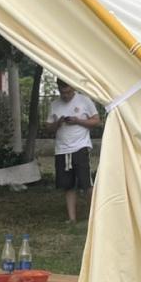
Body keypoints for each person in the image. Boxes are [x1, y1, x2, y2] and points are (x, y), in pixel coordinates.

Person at [47, 78, 101, 223]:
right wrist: (58, 123)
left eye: (69, 92)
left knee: (86, 184)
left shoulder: (85, 100)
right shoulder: (54, 105)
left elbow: (96, 121)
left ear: (73, 87)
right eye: (63, 93)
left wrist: (78, 121)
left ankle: (94, 217)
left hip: (80, 147)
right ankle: (72, 219)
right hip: (62, 150)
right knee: (68, 185)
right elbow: (48, 127)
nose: (66, 96)